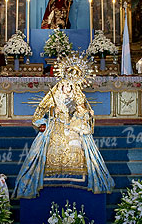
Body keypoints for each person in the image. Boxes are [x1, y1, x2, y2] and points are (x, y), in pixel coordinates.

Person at [12, 53, 114, 199]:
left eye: (70, 86)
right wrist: (43, 124)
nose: (68, 87)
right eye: (65, 85)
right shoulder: (53, 96)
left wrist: (84, 115)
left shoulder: (78, 97)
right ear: (61, 84)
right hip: (55, 126)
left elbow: (85, 115)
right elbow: (38, 114)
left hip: (73, 128)